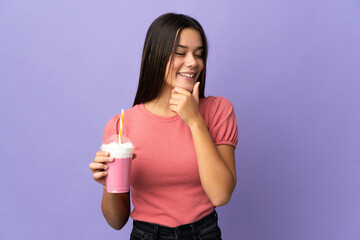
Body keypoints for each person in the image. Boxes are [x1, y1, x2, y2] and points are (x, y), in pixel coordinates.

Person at [89, 13, 238, 240]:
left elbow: (220, 195)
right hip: (146, 234)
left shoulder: (218, 110)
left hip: (203, 233)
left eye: (199, 55)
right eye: (180, 53)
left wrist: (195, 121)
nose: (193, 62)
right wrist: (106, 185)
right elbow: (117, 221)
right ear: (152, 57)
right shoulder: (121, 125)